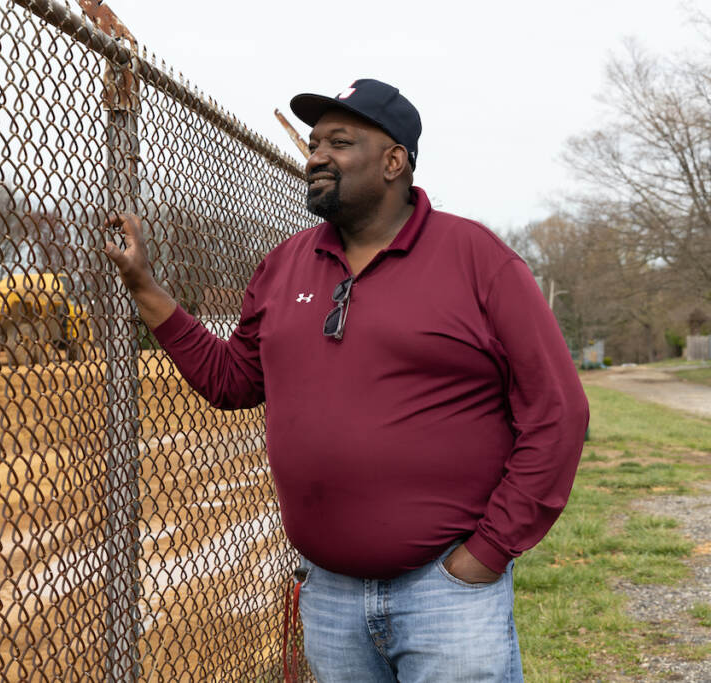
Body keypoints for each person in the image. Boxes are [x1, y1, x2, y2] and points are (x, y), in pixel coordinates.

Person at [102, 78, 589, 682]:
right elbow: (232, 381)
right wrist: (145, 289)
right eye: (313, 144)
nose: (316, 157)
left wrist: (489, 552)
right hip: (330, 595)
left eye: (339, 141)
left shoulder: (478, 260)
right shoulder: (284, 264)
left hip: (446, 591)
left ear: (394, 161)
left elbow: (558, 412)